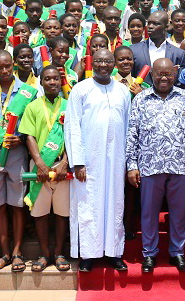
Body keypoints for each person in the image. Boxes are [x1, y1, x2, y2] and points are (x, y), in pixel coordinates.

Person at [126, 58, 185, 273]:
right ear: (152, 75)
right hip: (150, 166)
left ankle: (177, 253)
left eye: (168, 74)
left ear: (175, 74)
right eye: (159, 73)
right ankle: (149, 254)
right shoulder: (141, 99)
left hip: (180, 166)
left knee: (179, 213)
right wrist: (132, 165)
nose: (163, 77)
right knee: (149, 214)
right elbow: (132, 134)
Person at [64, 49, 131, 272]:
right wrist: (78, 161)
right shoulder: (80, 89)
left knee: (115, 204)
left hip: (116, 159)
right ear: (93, 62)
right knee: (87, 205)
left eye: (108, 61)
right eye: (99, 60)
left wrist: (127, 162)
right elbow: (72, 126)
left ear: (114, 64)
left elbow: (129, 127)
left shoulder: (122, 90)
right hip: (88, 161)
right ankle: (88, 254)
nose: (103, 65)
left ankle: (113, 252)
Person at [0, 50, 37, 272]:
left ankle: (17, 252)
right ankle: (4, 252)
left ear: (13, 65)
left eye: (7, 66)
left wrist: (21, 139)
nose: (4, 71)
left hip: (16, 154)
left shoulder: (28, 92)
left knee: (17, 204)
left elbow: (31, 125)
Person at [19, 65, 71, 272]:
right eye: (47, 79)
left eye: (56, 79)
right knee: (39, 212)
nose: (52, 82)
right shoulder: (32, 107)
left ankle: (58, 253)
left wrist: (65, 162)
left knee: (61, 213)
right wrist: (40, 163)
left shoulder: (69, 105)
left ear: (61, 81)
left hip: (62, 167)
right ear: (41, 82)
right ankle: (44, 254)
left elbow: (74, 136)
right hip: (39, 166)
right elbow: (29, 135)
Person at [129, 11, 185, 84]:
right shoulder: (133, 50)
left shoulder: (178, 53)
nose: (150, 26)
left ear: (166, 27)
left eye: (156, 24)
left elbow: (180, 82)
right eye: (149, 23)